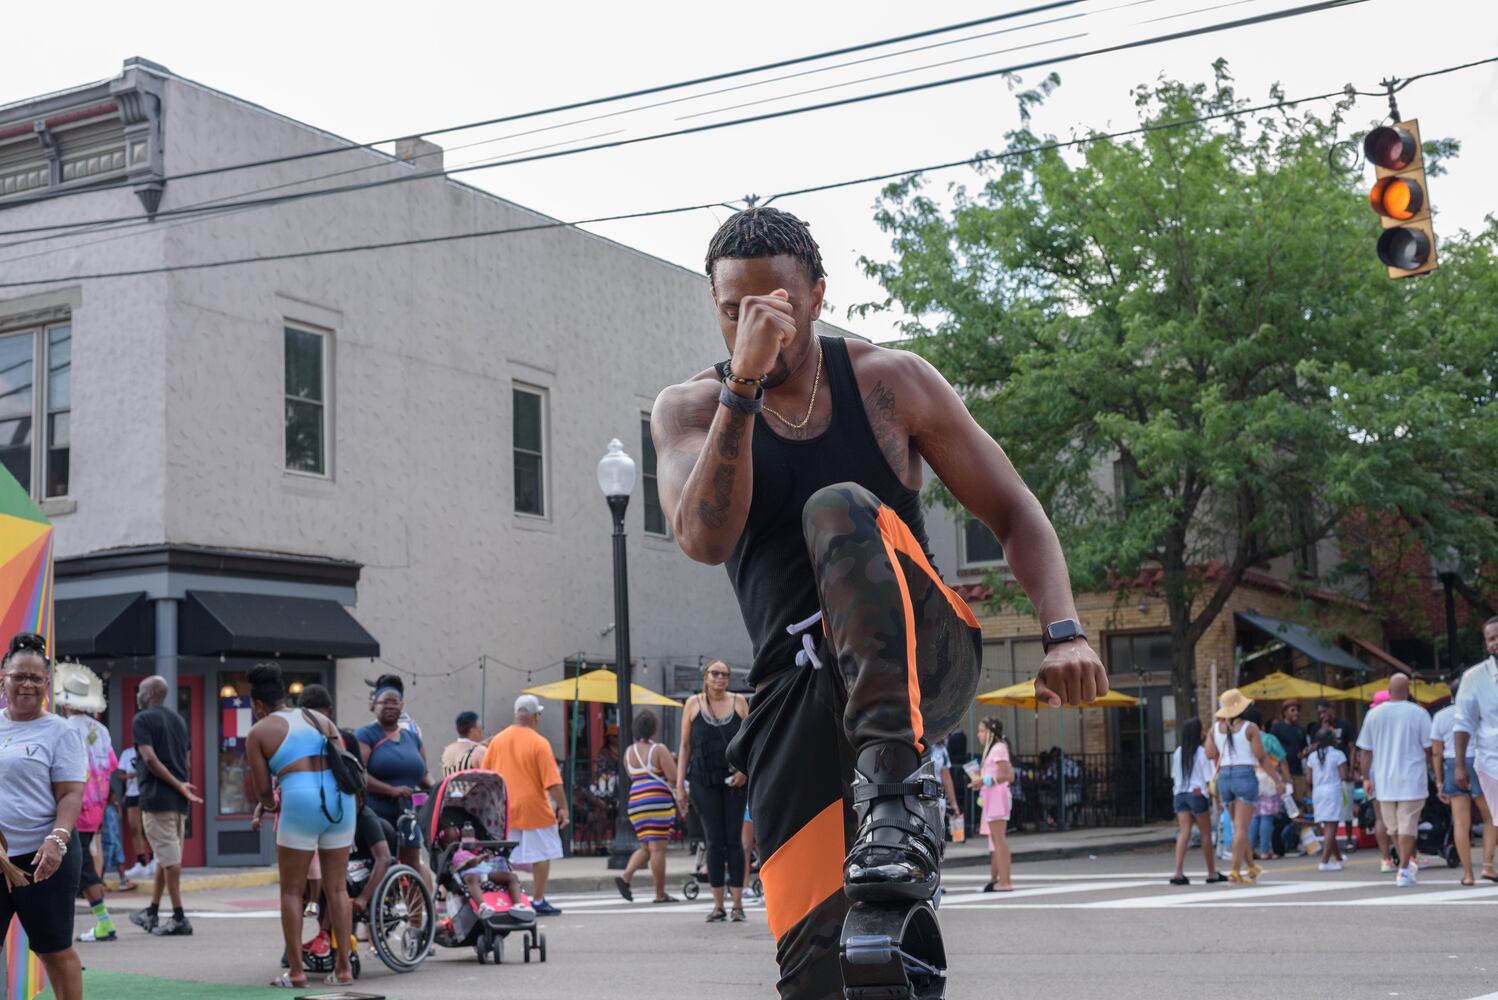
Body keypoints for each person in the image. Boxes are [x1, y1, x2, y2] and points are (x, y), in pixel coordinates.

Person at [652, 207, 1106, 996]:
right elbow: (703, 538)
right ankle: (880, 866)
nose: (756, 324)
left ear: (817, 295)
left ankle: (896, 794)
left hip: (919, 649)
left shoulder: (889, 382)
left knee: (836, 504)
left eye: (776, 307)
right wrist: (745, 387)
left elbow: (1015, 510)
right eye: (734, 311)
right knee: (820, 971)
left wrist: (1063, 632)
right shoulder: (691, 408)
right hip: (799, 693)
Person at [245, 663, 356, 989]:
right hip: (339, 800)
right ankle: (344, 968)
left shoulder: (259, 732)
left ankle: (296, 972)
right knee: (337, 888)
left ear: (258, 705)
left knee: (292, 890)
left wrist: (266, 807)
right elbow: (343, 760)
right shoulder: (319, 718)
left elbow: (264, 790)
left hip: (299, 798)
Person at [0, 633, 87, 1000]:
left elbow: (70, 794)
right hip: (0, 856)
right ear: (3, 679)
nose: (27, 684)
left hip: (44, 857)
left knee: (52, 949)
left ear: (47, 685)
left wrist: (57, 840)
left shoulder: (59, 731)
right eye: (19, 675)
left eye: (36, 678)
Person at [479, 694, 568, 915]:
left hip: (504, 809)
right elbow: (552, 782)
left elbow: (485, 776)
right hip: (534, 808)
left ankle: (504, 897)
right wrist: (563, 806)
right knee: (542, 855)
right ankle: (538, 900)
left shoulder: (497, 741)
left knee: (502, 856)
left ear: (516, 714)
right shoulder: (539, 743)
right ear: (535, 716)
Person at [128, 674, 202, 936]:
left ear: (148, 694)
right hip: (178, 801)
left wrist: (176, 784)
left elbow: (149, 758)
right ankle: (152, 911)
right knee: (164, 856)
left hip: (157, 798)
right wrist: (181, 785)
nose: (138, 696)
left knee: (170, 860)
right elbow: (187, 760)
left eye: (140, 692)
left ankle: (180, 917)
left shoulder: (142, 719)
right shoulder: (178, 720)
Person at [676, 659, 749, 921]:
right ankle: (718, 905)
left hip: (735, 780)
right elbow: (685, 747)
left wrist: (745, 770)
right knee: (714, 841)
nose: (720, 678)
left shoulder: (740, 701)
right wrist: (679, 786)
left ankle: (738, 905)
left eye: (725, 674)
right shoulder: (693, 704)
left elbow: (751, 742)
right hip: (702, 780)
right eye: (715, 673)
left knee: (734, 841)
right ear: (705, 676)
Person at [52, 661, 120, 943]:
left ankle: (102, 923)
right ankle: (97, 923)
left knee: (79, 868)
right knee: (81, 864)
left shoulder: (64, 728)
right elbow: (111, 766)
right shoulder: (101, 730)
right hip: (95, 807)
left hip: (71, 807)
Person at [1356, 673, 1432, 887]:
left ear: (1389, 692)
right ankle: (1405, 868)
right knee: (1407, 825)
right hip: (1412, 778)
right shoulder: (1419, 713)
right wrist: (1436, 771)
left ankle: (1404, 868)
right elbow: (1429, 748)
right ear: (1408, 691)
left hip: (1383, 779)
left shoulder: (1374, 715)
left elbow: (1365, 751)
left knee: (1394, 828)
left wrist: (1365, 778)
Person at [356, 682, 433, 883]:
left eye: (395, 703)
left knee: (412, 866)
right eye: (385, 702)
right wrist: (390, 790)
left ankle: (420, 914)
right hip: (377, 811)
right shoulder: (366, 734)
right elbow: (359, 774)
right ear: (375, 705)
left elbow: (424, 775)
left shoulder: (412, 737)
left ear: (402, 706)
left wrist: (438, 789)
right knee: (382, 862)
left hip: (407, 812)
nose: (391, 707)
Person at [1204, 689, 1282, 884]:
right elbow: (1261, 757)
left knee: (1238, 827)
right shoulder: (1250, 727)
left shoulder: (1214, 729)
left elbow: (1209, 753)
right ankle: (1234, 871)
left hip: (1225, 777)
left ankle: (1250, 867)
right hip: (1244, 775)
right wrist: (1277, 780)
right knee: (1241, 827)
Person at [1432, 680, 1497, 885]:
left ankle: (1468, 874)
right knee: (1490, 817)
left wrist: (1439, 782)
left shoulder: (1441, 716)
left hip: (1452, 764)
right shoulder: (1481, 713)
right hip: (1479, 763)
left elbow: (1436, 752)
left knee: (1460, 822)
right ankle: (1487, 866)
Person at [614, 711, 682, 907]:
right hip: (657, 801)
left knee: (646, 846)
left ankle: (626, 876)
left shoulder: (628, 752)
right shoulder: (659, 750)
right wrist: (674, 760)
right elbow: (673, 777)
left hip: (636, 802)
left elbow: (632, 774)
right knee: (658, 849)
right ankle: (660, 893)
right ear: (654, 729)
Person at [1454, 617, 1498, 874]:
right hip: (1492, 761)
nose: (1496, 643)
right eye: (1491, 638)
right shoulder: (1474, 677)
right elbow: (1463, 723)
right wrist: (1460, 765)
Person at [1168, 718, 1224, 885]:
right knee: (1205, 834)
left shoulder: (1178, 752)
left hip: (1180, 794)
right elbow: (1210, 778)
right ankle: (1211, 872)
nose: (1203, 733)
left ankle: (1178, 871)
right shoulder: (1201, 753)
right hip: (1197, 794)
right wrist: (1217, 799)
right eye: (1201, 730)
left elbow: (1173, 775)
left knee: (1184, 832)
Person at [971, 717, 1014, 892]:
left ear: (990, 732)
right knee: (995, 841)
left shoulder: (998, 748)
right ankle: (997, 879)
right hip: (991, 797)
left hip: (997, 797)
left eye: (981, 731)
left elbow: (1009, 775)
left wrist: (986, 779)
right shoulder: (993, 749)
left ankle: (1005, 881)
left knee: (999, 840)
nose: (978, 735)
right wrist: (981, 780)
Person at [1244, 707, 1289, 861]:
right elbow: (1282, 759)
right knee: (1267, 816)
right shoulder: (1269, 739)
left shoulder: (1243, 739)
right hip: (1268, 779)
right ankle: (1264, 850)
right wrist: (1286, 780)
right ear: (1261, 723)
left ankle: (1250, 850)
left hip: (1250, 778)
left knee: (1254, 816)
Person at [1305, 729, 1350, 871]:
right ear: (1332, 740)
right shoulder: (1338, 754)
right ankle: (1324, 861)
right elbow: (1344, 775)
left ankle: (1338, 858)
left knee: (1327, 826)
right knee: (1332, 826)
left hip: (1318, 792)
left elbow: (1308, 779)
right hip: (1333, 791)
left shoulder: (1312, 757)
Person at [117, 744, 153, 881]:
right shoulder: (127, 753)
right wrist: (129, 776)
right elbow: (119, 775)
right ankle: (142, 861)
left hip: (147, 792)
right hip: (132, 793)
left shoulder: (149, 749)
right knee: (134, 828)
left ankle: (154, 860)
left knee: (148, 828)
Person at [1270, 701, 1310, 803]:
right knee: (1284, 801)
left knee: (1299, 801)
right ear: (1284, 712)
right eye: (1293, 710)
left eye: (1297, 710)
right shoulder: (1277, 728)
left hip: (1297, 771)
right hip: (1281, 772)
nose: (1296, 713)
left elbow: (1304, 747)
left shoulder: (1300, 729)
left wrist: (1304, 752)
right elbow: (1272, 749)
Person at [442, 711, 487, 776]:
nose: (482, 730)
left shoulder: (446, 751)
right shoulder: (479, 751)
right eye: (480, 727)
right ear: (472, 731)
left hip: (449, 786)